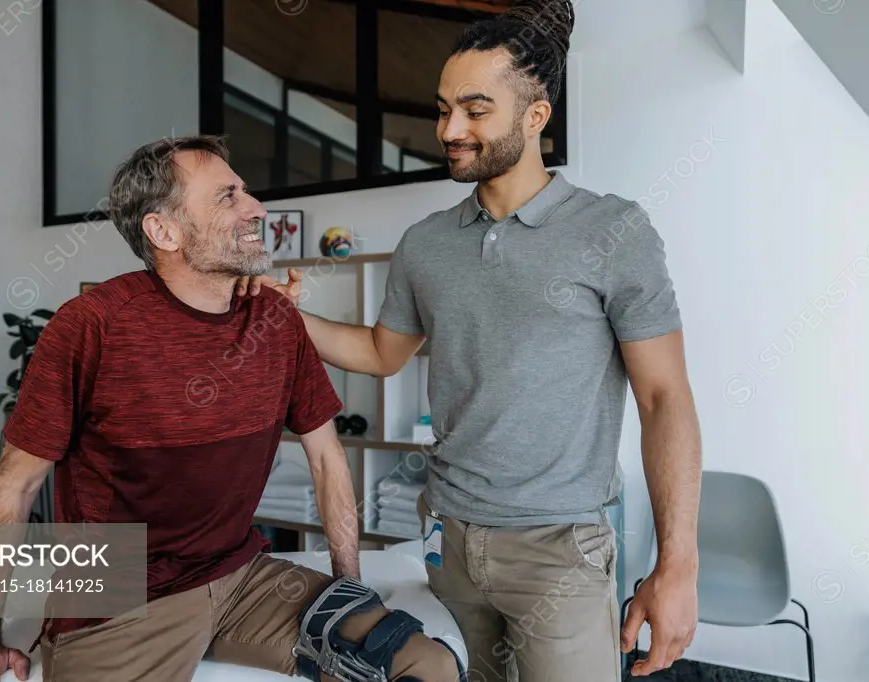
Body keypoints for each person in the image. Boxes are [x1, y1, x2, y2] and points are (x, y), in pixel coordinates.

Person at [242, 1, 702, 681]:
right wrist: (286, 319)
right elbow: (381, 353)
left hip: (558, 548)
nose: (449, 129)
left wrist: (678, 565)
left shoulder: (614, 232)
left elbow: (664, 397)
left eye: (475, 109)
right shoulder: (426, 244)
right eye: (442, 108)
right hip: (448, 537)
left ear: (535, 116)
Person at [0, 135, 465, 682]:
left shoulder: (276, 321)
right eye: (226, 197)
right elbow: (13, 486)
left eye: (245, 192)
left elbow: (329, 458)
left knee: (424, 663)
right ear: (162, 230)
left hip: (243, 578)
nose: (256, 208)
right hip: (120, 601)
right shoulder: (91, 326)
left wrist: (347, 586)